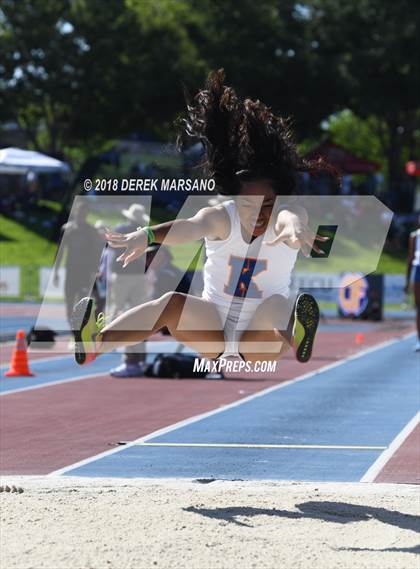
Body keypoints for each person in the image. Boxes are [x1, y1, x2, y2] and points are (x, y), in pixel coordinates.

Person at [72, 69, 335, 367]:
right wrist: (146, 235)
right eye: (250, 204)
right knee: (171, 303)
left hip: (259, 337)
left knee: (278, 305)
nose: (260, 213)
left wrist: (297, 229)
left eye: (268, 205)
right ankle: (96, 343)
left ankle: (298, 335)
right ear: (236, 199)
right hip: (213, 329)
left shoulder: (284, 217)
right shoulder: (222, 217)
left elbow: (292, 219)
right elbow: (188, 227)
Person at [107, 204, 153, 377]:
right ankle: (139, 358)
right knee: (139, 317)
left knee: (117, 314)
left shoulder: (121, 229)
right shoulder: (145, 231)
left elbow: (112, 250)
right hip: (139, 277)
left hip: (123, 276)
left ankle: (129, 358)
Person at [53, 202, 103, 327]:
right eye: (80, 211)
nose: (82, 214)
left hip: (85, 273)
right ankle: (73, 328)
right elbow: (60, 251)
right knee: (69, 302)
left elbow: (96, 253)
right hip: (71, 271)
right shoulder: (66, 229)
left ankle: (79, 331)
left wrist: (95, 271)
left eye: (85, 212)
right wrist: (55, 272)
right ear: (75, 212)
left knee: (82, 302)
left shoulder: (92, 231)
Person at [405, 216, 420, 351]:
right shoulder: (414, 236)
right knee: (418, 307)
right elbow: (410, 258)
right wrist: (407, 280)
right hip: (418, 269)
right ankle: (419, 339)